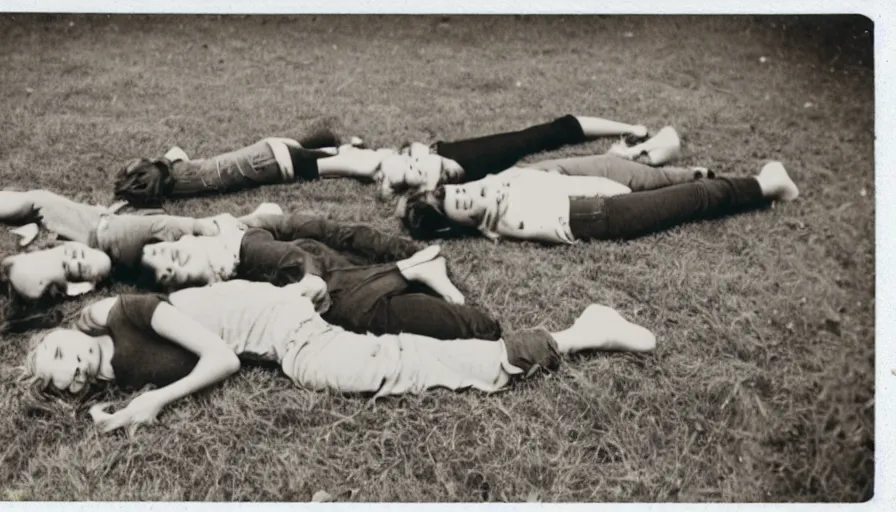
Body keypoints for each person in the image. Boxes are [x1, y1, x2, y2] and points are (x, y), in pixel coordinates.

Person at [23, 279, 657, 434]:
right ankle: (558, 340)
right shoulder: (112, 371)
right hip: (274, 322)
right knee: (395, 357)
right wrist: (122, 407)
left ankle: (576, 335)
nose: (74, 361)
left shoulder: (125, 310)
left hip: (280, 333)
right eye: (69, 376)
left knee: (393, 366)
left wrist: (151, 404)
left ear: (64, 330)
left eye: (59, 349)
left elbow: (221, 356)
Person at [112, 115, 653, 205]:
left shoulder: (179, 179)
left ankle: (626, 146)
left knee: (544, 142)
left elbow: (348, 160)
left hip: (443, 165)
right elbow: (351, 164)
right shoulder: (178, 174)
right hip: (450, 168)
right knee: (544, 149)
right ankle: (627, 148)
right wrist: (363, 157)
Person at [138, 208, 504, 341]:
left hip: (308, 267)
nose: (167, 263)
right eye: (166, 275)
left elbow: (293, 258)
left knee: (339, 306)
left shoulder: (234, 244)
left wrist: (309, 281)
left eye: (158, 252)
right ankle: (472, 323)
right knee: (370, 316)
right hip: (334, 270)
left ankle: (412, 268)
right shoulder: (219, 285)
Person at [399, 160, 799, 244]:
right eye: (466, 203)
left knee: (676, 190)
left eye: (466, 189)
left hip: (592, 202)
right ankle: (766, 185)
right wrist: (493, 211)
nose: (478, 191)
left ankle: (761, 185)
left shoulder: (502, 185)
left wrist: (492, 184)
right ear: (468, 224)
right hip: (598, 216)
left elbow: (495, 180)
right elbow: (511, 211)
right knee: (691, 199)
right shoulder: (503, 222)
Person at [0, 189, 268, 300]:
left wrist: (196, 226)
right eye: (71, 271)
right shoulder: (108, 248)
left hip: (114, 222)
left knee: (39, 201)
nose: (77, 261)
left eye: (67, 256)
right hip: (126, 225)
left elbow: (159, 226)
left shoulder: (107, 236)